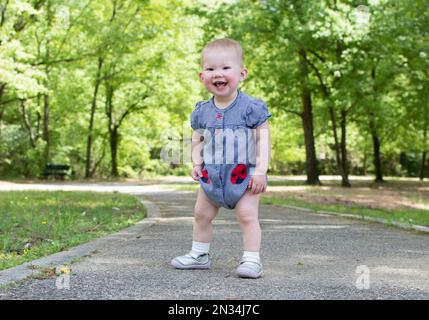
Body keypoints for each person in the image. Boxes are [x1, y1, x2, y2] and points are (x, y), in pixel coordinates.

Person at [171, 38, 271, 279]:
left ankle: (251, 259)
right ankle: (199, 254)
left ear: (242, 73)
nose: (218, 74)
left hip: (243, 176)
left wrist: (260, 171)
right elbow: (197, 138)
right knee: (201, 214)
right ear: (201, 76)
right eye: (211, 69)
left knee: (247, 216)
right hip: (212, 175)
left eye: (226, 68)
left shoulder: (251, 108)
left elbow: (263, 140)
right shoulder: (202, 111)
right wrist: (196, 162)